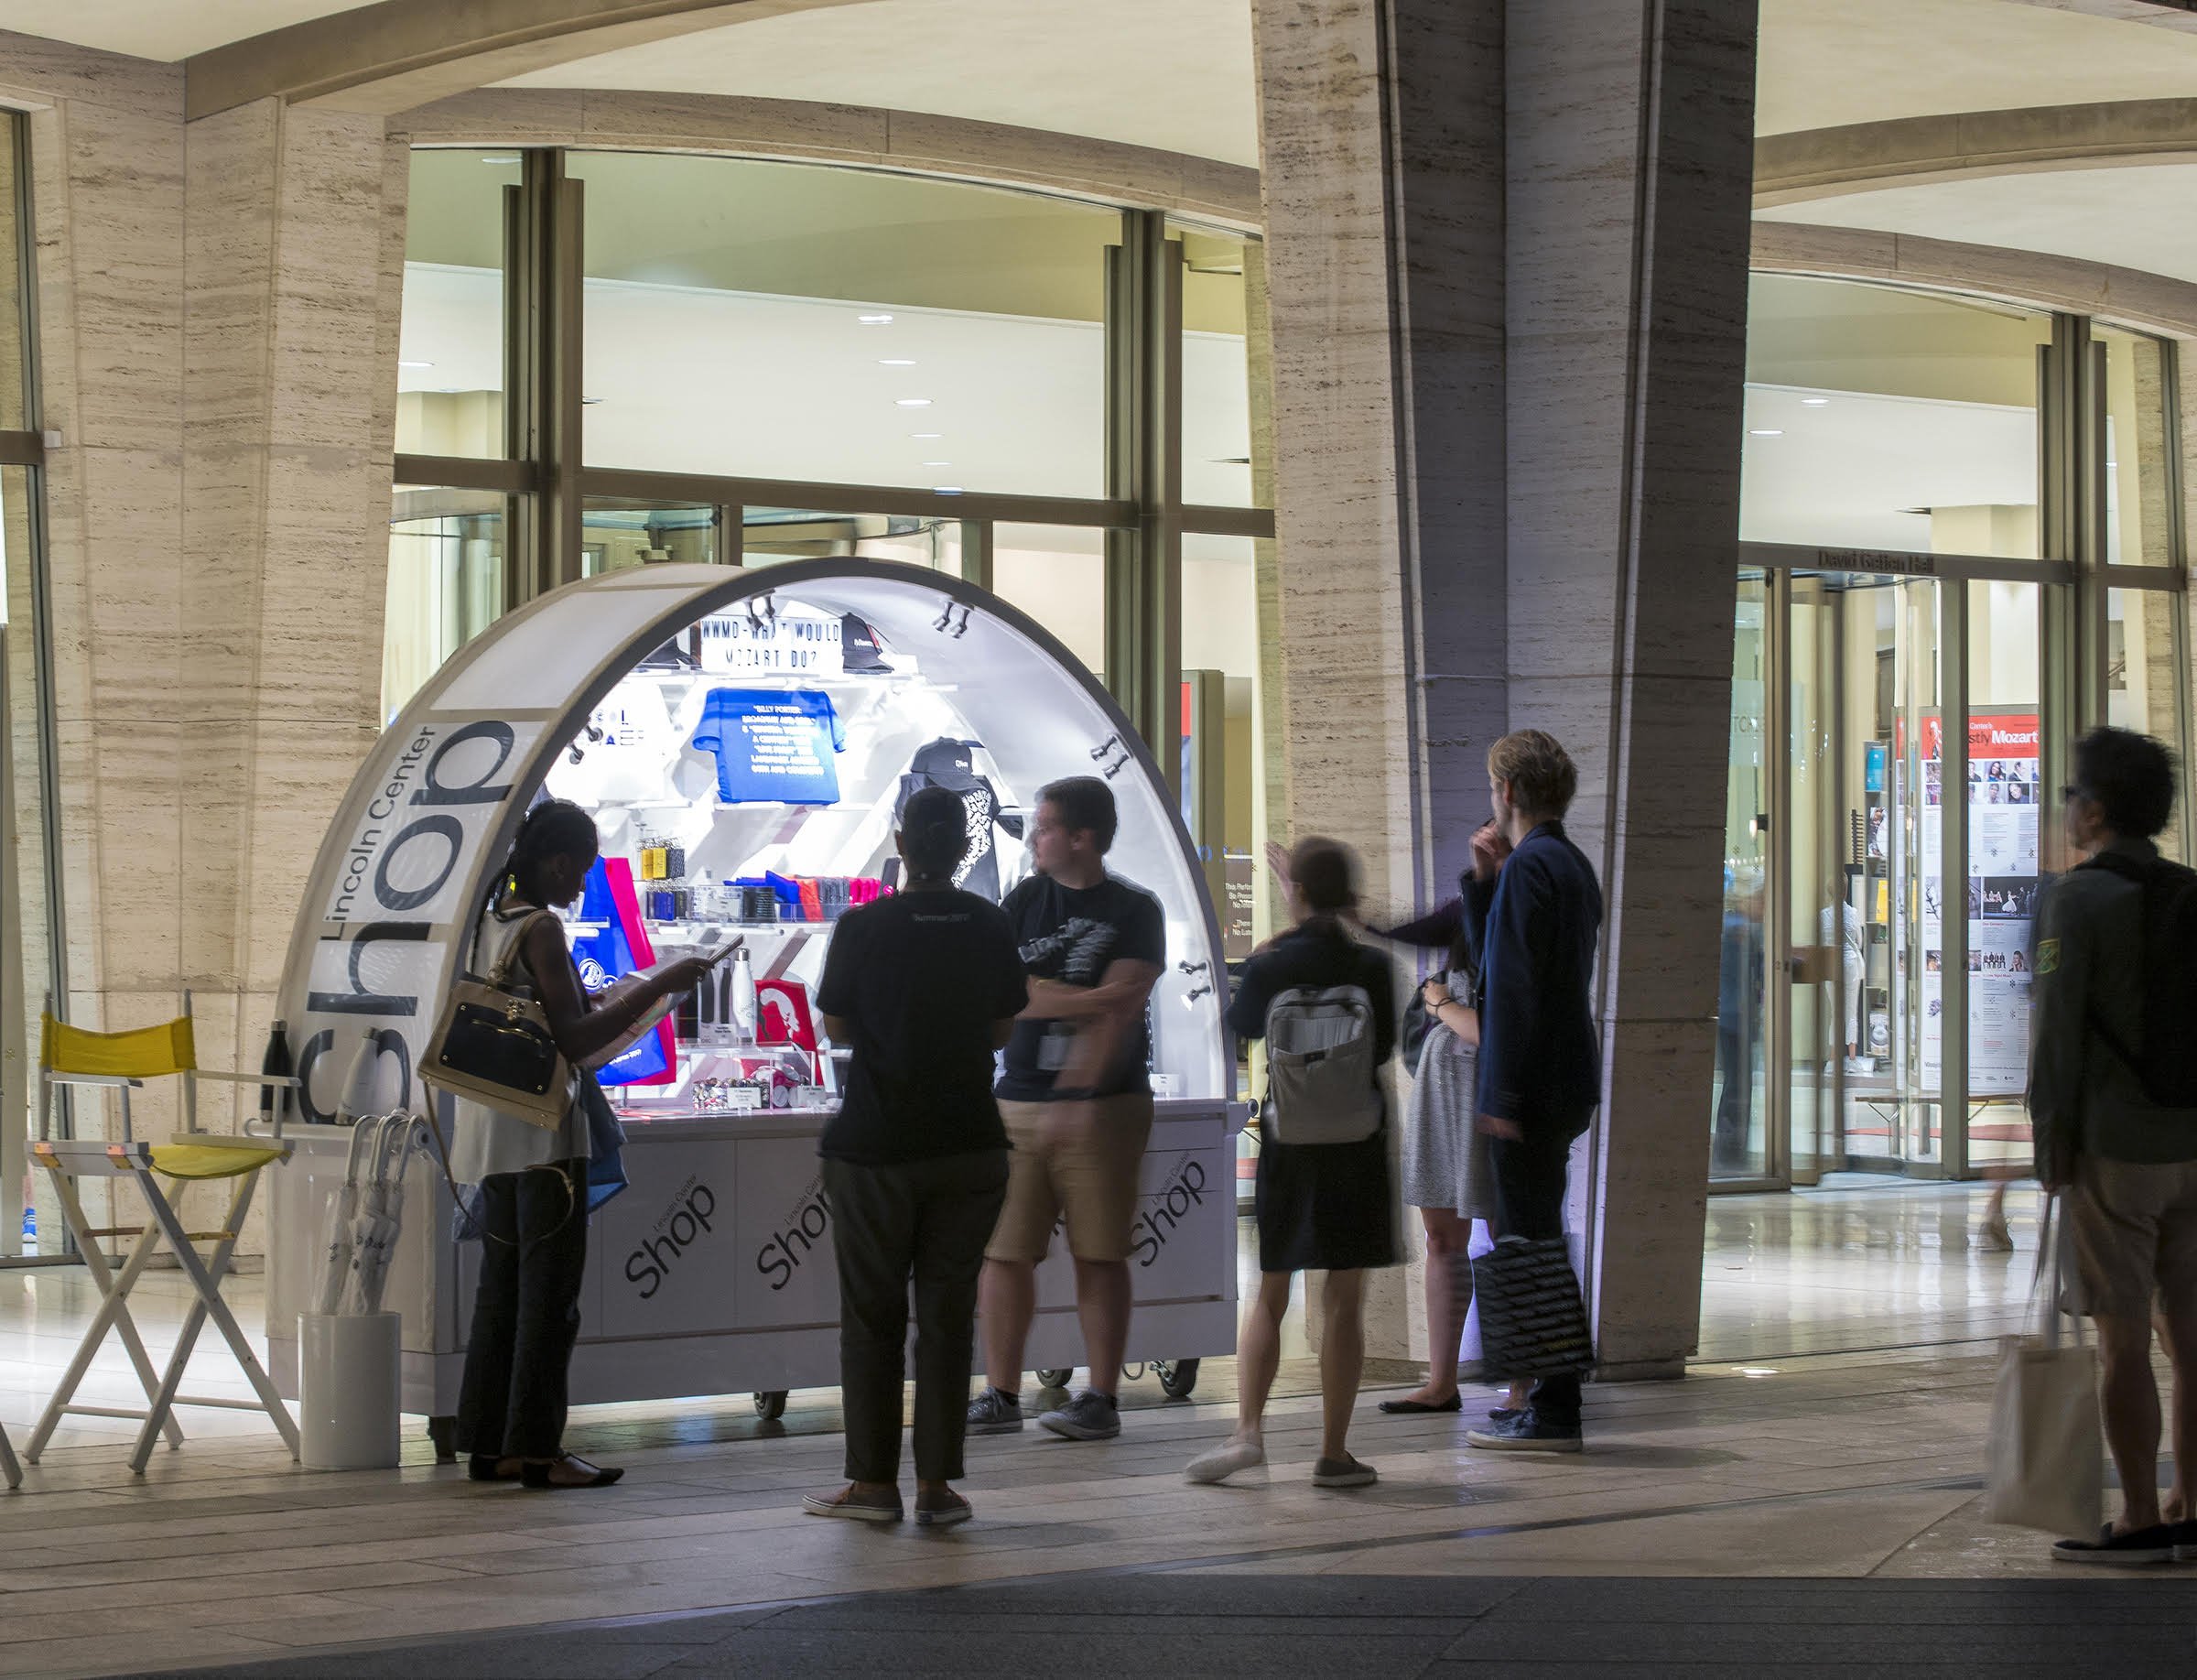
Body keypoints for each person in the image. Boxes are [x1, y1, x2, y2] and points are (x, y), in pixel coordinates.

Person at [454, 799, 719, 1490]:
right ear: (560, 860)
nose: (584, 882)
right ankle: (539, 1449)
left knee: (501, 1292)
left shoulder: (489, 919)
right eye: (584, 867)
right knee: (550, 1299)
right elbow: (574, 1040)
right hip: (544, 1137)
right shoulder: (541, 927)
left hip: (492, 1130)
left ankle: (491, 1443)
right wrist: (662, 983)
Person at [802, 786, 1029, 1526]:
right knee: (947, 1315)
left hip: (876, 1144)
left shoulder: (865, 925)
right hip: (968, 1144)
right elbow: (1001, 1029)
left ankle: (872, 1484)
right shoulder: (991, 925)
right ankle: (937, 1486)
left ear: (901, 845)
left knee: (870, 1317)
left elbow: (836, 1021)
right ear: (963, 846)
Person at [2031, 729, 2197, 1564]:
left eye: (2069, 794)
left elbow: (2055, 1038)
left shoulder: (2073, 900)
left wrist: (2048, 1148)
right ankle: (2191, 1498)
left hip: (2116, 1149)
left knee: (2123, 1338)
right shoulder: (2192, 892)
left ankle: (2139, 1515)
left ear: (2093, 810)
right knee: (2192, 1332)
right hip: (2194, 1143)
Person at [1185, 838, 1397, 1489]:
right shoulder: (1372, 965)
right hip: (1356, 1143)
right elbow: (1385, 1045)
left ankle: (1248, 1431)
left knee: (1271, 1291)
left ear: (1296, 891)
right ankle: (1333, 1451)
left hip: (1290, 1140)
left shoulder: (1275, 964)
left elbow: (1239, 1025)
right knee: (1344, 1297)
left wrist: (1274, 947)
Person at [969, 776, 1165, 1442]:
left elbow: (1125, 1008)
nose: (1032, 839)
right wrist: (1087, 998)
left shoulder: (1137, 909)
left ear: (1081, 837)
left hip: (1105, 1107)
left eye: (1045, 826)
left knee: (1099, 1251)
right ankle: (1000, 1391)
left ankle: (1101, 1396)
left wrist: (1077, 1088)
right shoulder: (1021, 900)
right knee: (1003, 1251)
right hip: (1018, 1098)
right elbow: (1009, 995)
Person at [1344, 827, 1527, 1422]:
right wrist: (1341, 905)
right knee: (1443, 1237)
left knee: (1506, 1236)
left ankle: (1523, 1383)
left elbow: (1498, 1026)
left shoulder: (1529, 913)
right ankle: (1441, 1380)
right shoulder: (1472, 902)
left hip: (1493, 1087)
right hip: (1446, 1081)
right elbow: (1406, 929)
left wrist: (1441, 1004)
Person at [1461, 730, 1604, 1455]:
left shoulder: (1532, 869)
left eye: (1494, 786)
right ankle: (1549, 1399)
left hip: (1530, 1084)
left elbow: (1508, 991)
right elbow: (1518, 967)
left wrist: (1502, 1097)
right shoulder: (1568, 862)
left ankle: (1552, 1408)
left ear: (1508, 791)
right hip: (1567, 1078)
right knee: (1538, 1236)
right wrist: (1485, 882)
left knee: (1529, 1241)